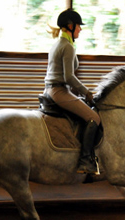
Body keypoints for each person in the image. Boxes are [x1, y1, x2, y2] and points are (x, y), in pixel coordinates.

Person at [44, 8, 100, 175]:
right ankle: (84, 161)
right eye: (78, 26)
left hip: (53, 90)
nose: (80, 29)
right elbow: (68, 77)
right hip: (59, 91)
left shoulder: (58, 44)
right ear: (70, 26)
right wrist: (86, 92)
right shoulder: (67, 47)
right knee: (94, 117)